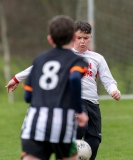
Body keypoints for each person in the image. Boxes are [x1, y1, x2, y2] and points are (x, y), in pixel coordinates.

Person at [6, 21, 121, 160]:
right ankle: (68, 147)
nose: (82, 42)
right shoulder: (68, 56)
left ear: (91, 38)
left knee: (94, 142)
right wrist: (17, 78)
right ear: (73, 38)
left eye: (86, 38)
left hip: (92, 103)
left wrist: (114, 90)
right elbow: (35, 68)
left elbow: (108, 80)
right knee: (79, 128)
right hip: (73, 100)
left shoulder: (97, 58)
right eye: (79, 38)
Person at [15, 15, 89, 160]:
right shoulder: (77, 61)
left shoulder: (39, 59)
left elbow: (27, 96)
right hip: (62, 125)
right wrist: (79, 111)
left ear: (50, 39)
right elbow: (74, 78)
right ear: (74, 37)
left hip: (34, 124)